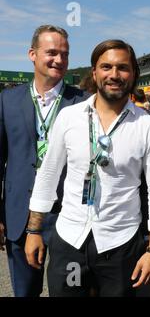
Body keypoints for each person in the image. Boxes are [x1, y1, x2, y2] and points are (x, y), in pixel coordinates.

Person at [24, 39, 150, 297]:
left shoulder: (147, 126)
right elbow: (48, 175)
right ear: (94, 72)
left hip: (120, 244)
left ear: (133, 74)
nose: (114, 75)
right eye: (106, 67)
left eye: (122, 68)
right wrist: (34, 229)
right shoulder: (69, 117)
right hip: (70, 239)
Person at [0, 24, 88, 297]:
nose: (59, 60)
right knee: (25, 292)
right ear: (32, 54)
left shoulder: (84, 102)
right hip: (20, 214)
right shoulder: (7, 100)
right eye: (51, 52)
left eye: (65, 54)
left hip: (69, 214)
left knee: (70, 291)